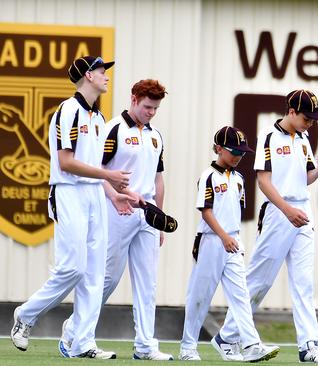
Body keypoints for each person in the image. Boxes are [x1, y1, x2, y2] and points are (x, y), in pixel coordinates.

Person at [10, 56, 133, 359]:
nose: (107, 77)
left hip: (93, 195)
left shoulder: (98, 118)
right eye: (102, 72)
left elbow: (92, 167)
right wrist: (108, 175)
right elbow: (66, 163)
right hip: (68, 193)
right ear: (88, 76)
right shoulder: (69, 110)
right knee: (73, 268)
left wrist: (111, 192)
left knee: (93, 273)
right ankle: (25, 315)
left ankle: (82, 343)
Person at [216, 90, 318, 364]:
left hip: (302, 212)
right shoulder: (269, 136)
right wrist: (287, 210)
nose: (310, 124)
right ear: (291, 111)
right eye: (307, 118)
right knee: (259, 280)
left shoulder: (304, 138)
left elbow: (303, 179)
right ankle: (227, 336)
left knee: (304, 281)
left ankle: (309, 346)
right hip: (278, 213)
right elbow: (264, 182)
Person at [58, 79, 174, 361]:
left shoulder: (156, 135)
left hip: (146, 214)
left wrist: (160, 217)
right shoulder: (113, 129)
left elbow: (158, 178)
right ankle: (74, 331)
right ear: (134, 99)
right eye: (147, 106)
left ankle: (146, 346)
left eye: (156, 108)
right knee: (106, 279)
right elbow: (97, 170)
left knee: (148, 283)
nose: (151, 113)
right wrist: (113, 197)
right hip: (116, 211)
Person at [179, 126, 280, 362]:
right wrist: (223, 236)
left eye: (241, 153)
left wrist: (232, 238)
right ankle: (188, 347)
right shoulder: (209, 176)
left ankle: (251, 344)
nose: (237, 157)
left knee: (241, 295)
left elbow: (234, 213)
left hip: (232, 242)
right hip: (212, 240)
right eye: (233, 151)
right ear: (218, 149)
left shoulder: (238, 179)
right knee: (200, 296)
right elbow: (206, 211)